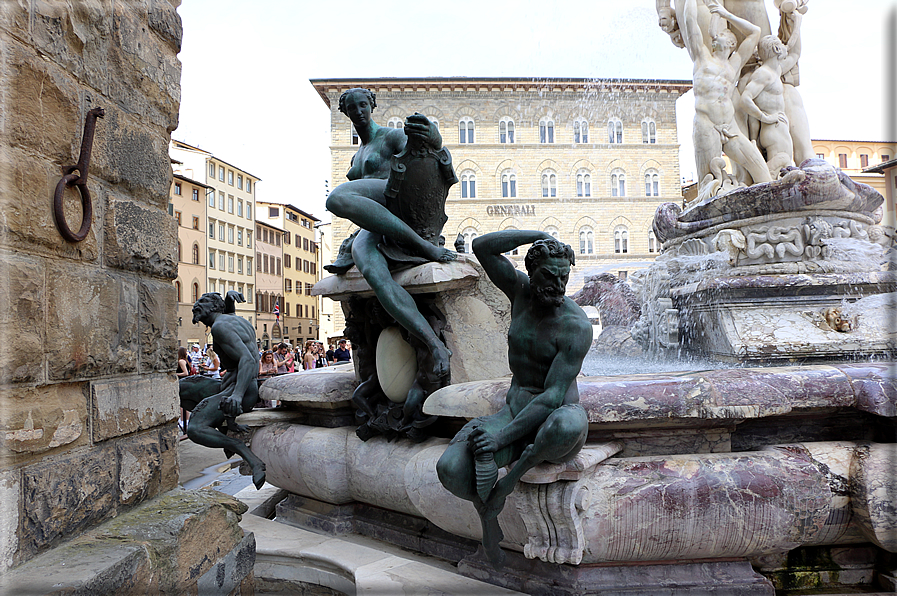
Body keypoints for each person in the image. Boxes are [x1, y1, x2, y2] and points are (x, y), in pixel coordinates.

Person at [436, 231, 592, 565]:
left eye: (564, 276)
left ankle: (508, 481)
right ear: (531, 271)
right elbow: (482, 248)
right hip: (514, 411)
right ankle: (487, 512)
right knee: (450, 469)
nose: (558, 285)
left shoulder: (575, 325)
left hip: (556, 420)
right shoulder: (519, 292)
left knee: (567, 423)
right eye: (549, 276)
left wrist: (499, 449)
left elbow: (552, 398)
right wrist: (537, 234)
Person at [325, 88, 454, 382]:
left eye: (363, 105)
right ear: (345, 112)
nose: (359, 111)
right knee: (372, 270)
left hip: (394, 202)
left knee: (336, 200)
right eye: (352, 107)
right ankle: (434, 345)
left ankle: (423, 246)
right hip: (376, 225)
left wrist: (433, 135)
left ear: (371, 106)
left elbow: (425, 148)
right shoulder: (357, 156)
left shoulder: (390, 137)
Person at [681, 0, 772, 187]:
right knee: (709, 185)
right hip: (707, 126)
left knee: (763, 174)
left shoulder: (734, 64)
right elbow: (690, 22)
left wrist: (725, 14)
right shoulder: (702, 57)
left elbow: (755, 32)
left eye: (721, 35)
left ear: (731, 43)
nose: (714, 37)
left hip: (730, 128)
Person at [187, 292, 266, 489]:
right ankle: (223, 426)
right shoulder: (231, 319)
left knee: (194, 429)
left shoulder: (220, 327)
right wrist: (229, 302)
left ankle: (244, 452)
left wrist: (237, 396)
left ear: (214, 308)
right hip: (234, 384)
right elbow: (229, 323)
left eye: (203, 302)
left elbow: (247, 359)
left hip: (241, 389)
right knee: (183, 388)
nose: (196, 304)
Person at [740, 23, 802, 178]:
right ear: (775, 49)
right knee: (775, 174)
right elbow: (745, 99)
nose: (783, 47)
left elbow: (794, 53)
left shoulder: (777, 70)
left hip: (779, 127)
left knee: (784, 169)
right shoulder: (763, 74)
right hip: (772, 129)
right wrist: (764, 117)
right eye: (780, 45)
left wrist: (797, 22)